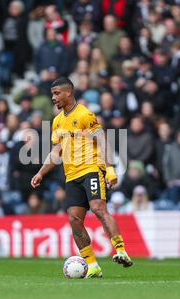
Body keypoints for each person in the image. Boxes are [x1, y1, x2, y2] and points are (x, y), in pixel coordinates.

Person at [31, 77, 132, 278]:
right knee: (74, 218)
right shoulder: (58, 121)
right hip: (71, 175)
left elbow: (102, 139)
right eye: (52, 94)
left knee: (98, 208)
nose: (53, 98)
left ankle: (121, 250)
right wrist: (41, 172)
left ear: (69, 92)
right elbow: (57, 150)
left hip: (91, 169)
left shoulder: (85, 114)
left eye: (57, 93)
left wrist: (109, 169)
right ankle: (92, 265)